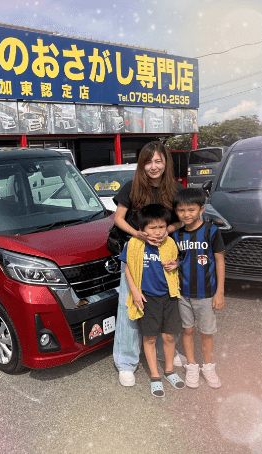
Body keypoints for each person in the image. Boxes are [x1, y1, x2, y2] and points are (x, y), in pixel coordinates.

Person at [112, 141, 185, 387]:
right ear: (141, 164)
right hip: (136, 252)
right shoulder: (131, 187)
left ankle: (166, 353)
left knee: (167, 304)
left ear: (166, 163)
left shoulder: (175, 189)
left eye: (158, 161)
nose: (153, 167)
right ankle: (126, 362)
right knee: (131, 307)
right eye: (148, 161)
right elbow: (119, 218)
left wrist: (167, 232)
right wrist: (138, 234)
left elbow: (182, 220)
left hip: (164, 253)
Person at [120, 204, 184, 397]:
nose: (157, 232)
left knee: (169, 336)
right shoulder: (134, 244)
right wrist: (134, 292)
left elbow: (177, 261)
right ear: (142, 229)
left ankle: (169, 370)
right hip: (147, 299)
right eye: (152, 228)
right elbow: (128, 267)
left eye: (161, 227)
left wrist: (176, 264)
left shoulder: (170, 243)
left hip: (169, 296)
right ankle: (155, 376)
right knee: (149, 338)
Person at [171, 188, 225, 388]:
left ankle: (208, 366)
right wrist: (174, 265)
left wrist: (220, 292)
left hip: (206, 293)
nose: (186, 214)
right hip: (183, 294)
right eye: (181, 210)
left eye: (191, 210)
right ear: (176, 211)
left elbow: (220, 261)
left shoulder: (211, 231)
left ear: (201, 209)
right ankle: (192, 366)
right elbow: (178, 259)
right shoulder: (176, 235)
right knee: (188, 330)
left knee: (206, 332)